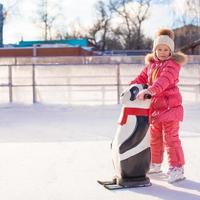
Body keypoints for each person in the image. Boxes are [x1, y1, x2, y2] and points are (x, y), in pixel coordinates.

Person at [129, 28, 188, 183]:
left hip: (171, 109)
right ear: (155, 50)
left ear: (171, 51)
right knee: (154, 138)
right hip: (155, 110)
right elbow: (140, 78)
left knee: (170, 139)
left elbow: (163, 81)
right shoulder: (151, 66)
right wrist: (130, 88)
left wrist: (150, 90)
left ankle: (177, 168)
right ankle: (156, 164)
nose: (162, 52)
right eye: (159, 49)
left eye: (166, 49)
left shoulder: (173, 65)